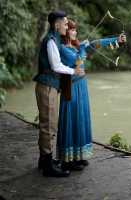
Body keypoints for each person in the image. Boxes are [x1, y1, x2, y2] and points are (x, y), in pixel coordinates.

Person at [56, 20, 126, 172]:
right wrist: (82, 48)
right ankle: (67, 161)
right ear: (66, 32)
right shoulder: (63, 49)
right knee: (72, 120)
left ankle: (79, 156)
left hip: (81, 86)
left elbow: (96, 43)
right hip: (71, 88)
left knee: (81, 118)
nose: (75, 32)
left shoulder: (75, 46)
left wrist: (116, 40)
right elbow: (77, 62)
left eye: (75, 30)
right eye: (72, 30)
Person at [33, 11, 84, 177]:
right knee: (48, 126)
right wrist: (73, 71)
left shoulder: (53, 39)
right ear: (56, 24)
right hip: (47, 87)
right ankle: (48, 167)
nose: (67, 26)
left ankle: (44, 160)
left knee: (47, 124)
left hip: (50, 86)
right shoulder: (51, 41)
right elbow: (56, 66)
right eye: (65, 22)